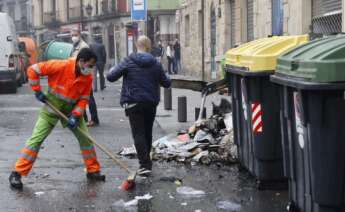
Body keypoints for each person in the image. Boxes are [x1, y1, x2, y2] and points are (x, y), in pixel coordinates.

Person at [9, 48, 106, 190]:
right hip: (51, 110)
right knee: (36, 140)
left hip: (71, 112)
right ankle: (17, 173)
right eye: (90, 66)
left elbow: (84, 99)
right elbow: (33, 70)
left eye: (93, 66)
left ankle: (93, 171)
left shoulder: (88, 77)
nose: (91, 69)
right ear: (81, 62)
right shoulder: (60, 66)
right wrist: (37, 90)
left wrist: (76, 115)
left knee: (86, 140)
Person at [107, 36, 171, 176]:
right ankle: (146, 161)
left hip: (133, 102)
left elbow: (111, 77)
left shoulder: (128, 61)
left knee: (138, 133)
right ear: (149, 46)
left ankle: (145, 164)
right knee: (147, 132)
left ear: (137, 45)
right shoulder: (155, 63)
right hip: (150, 102)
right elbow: (166, 83)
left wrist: (113, 69)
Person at [71, 29, 100, 127]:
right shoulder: (75, 46)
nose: (73, 37)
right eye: (72, 35)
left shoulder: (83, 46)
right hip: (79, 74)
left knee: (89, 97)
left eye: (75, 34)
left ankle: (94, 119)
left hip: (84, 74)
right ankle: (84, 118)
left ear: (79, 35)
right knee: (80, 97)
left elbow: (87, 62)